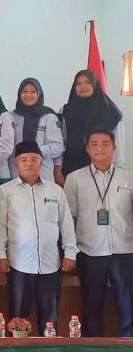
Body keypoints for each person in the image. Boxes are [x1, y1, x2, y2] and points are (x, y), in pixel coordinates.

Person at [0, 141, 77, 336]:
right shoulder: (5, 191)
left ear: (41, 163)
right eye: (23, 160)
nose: (29, 163)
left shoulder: (55, 191)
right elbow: (0, 226)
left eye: (33, 159)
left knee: (49, 320)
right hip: (19, 265)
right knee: (18, 321)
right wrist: (0, 254)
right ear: (16, 164)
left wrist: (70, 252)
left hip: (50, 264)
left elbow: (66, 223)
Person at [64, 129, 133, 336]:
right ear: (87, 149)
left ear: (114, 148)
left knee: (128, 304)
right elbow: (69, 219)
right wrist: (69, 251)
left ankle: (127, 347)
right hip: (89, 251)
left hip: (125, 250)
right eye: (94, 144)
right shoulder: (74, 179)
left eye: (105, 143)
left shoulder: (129, 177)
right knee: (92, 306)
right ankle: (92, 348)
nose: (100, 148)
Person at [55, 70, 125, 185]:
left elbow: (118, 148)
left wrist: (118, 173)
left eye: (88, 82)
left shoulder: (111, 113)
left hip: (102, 170)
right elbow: (62, 142)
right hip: (71, 169)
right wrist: (57, 169)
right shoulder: (66, 111)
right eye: (78, 83)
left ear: (95, 85)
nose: (83, 86)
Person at [10, 78, 63, 182]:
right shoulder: (11, 116)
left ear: (39, 94)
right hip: (16, 173)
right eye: (25, 91)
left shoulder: (48, 116)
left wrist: (34, 151)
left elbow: (58, 146)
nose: (28, 95)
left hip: (43, 173)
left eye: (33, 92)